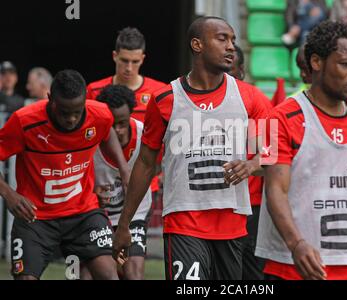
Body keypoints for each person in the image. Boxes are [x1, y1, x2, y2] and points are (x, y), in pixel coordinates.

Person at [112, 16, 270, 280]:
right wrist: (124, 224)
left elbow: (273, 153)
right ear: (197, 44)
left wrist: (252, 164)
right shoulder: (165, 100)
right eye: (222, 39)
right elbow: (145, 163)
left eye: (232, 40)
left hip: (232, 225)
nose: (231, 46)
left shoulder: (251, 97)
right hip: (183, 222)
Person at [256, 21, 347, 280]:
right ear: (317, 62)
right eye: (346, 64)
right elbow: (275, 188)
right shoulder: (281, 117)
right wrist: (296, 243)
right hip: (293, 266)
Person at [0, 69, 130, 280]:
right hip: (35, 217)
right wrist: (9, 194)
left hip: (83, 213)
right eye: (64, 112)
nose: (71, 119)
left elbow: (107, 132)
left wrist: (123, 168)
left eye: (77, 112)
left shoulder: (100, 114)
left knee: (109, 273)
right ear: (50, 99)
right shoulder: (25, 121)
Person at [92, 84, 152, 280]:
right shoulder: (90, 140)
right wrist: (92, 191)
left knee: (133, 273)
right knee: (93, 273)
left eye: (122, 124)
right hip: (99, 216)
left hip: (135, 213)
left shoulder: (144, 135)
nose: (117, 130)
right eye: (112, 124)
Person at [228, 45, 268, 280]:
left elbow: (270, 155)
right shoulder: (201, 103)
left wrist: (250, 165)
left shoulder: (255, 100)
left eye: (231, 73)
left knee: (251, 274)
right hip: (212, 205)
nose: (226, 80)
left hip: (249, 206)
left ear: (241, 71)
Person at [86, 27, 166, 122]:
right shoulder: (94, 90)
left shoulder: (159, 92)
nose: (129, 68)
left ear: (142, 59)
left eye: (135, 61)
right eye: (124, 60)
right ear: (114, 56)